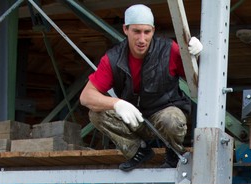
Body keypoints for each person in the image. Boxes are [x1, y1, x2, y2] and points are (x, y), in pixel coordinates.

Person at [79, 3, 202, 171]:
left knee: (172, 119)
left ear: (153, 30)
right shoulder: (112, 58)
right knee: (96, 113)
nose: (142, 39)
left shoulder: (169, 50)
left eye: (147, 32)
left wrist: (199, 56)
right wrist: (116, 104)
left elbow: (201, 81)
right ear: (125, 29)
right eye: (136, 31)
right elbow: (86, 96)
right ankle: (138, 150)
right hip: (135, 118)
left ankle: (174, 154)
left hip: (163, 115)